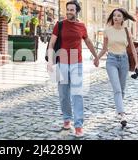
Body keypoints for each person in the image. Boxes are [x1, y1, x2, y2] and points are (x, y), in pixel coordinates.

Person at [46, 0, 98, 137]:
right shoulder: (60, 25)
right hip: (61, 62)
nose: (69, 12)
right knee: (63, 94)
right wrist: (50, 61)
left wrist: (96, 56)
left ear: (76, 11)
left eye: (72, 10)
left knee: (77, 94)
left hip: (76, 63)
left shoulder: (81, 26)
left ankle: (79, 125)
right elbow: (51, 44)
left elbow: (88, 42)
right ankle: (67, 119)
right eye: (67, 9)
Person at [95, 8, 138, 128]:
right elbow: (104, 48)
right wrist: (97, 58)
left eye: (119, 16)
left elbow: (133, 48)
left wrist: (137, 63)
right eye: (114, 15)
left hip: (124, 61)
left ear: (123, 18)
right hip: (111, 61)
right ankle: (122, 114)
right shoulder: (107, 31)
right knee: (117, 89)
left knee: (122, 89)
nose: (116, 18)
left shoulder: (126, 30)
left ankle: (119, 109)